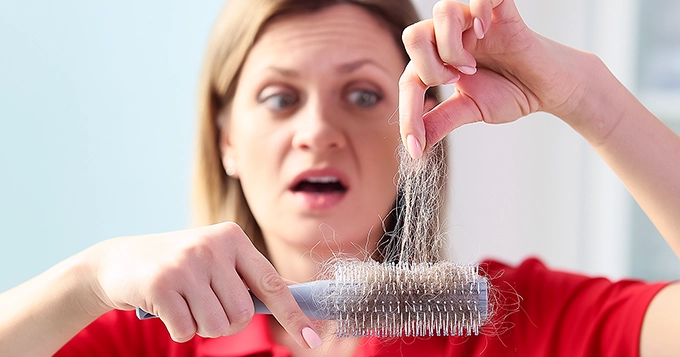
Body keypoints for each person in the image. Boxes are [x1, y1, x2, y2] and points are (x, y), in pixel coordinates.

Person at [1, 0, 679, 355]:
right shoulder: (144, 341)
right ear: (226, 140)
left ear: (420, 136)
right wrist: (86, 279)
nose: (318, 130)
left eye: (362, 96)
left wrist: (590, 98)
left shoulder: (514, 321)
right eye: (279, 98)